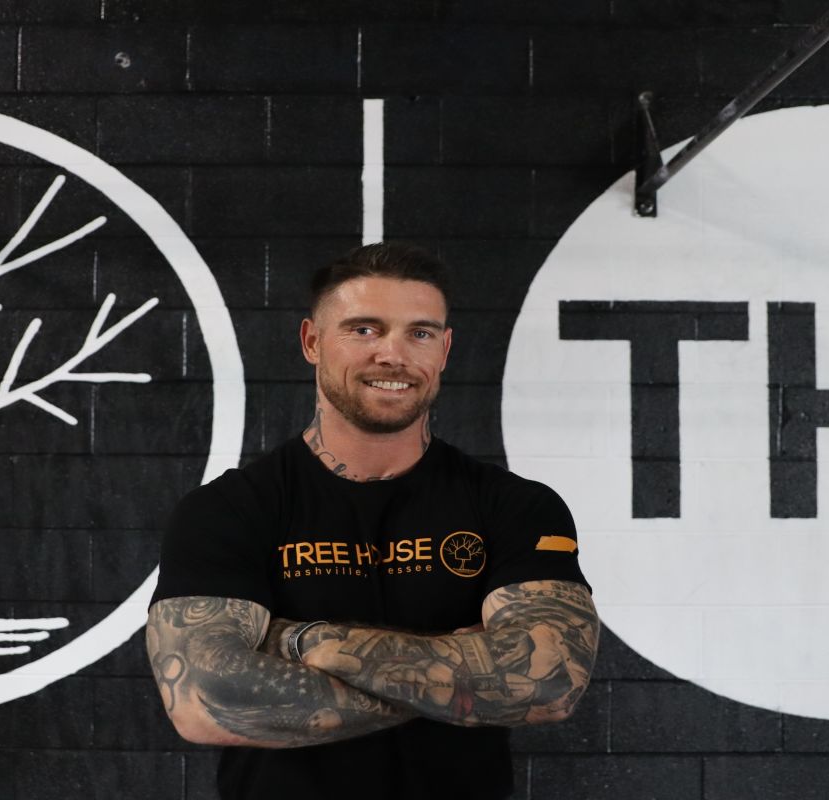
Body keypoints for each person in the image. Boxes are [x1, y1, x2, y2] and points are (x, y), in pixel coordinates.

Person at [146, 242, 599, 800]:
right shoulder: (228, 510)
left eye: (420, 333)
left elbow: (550, 684)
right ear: (312, 342)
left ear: (444, 349)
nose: (393, 355)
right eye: (364, 330)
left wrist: (304, 642)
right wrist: (464, 676)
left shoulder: (516, 506)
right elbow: (204, 701)